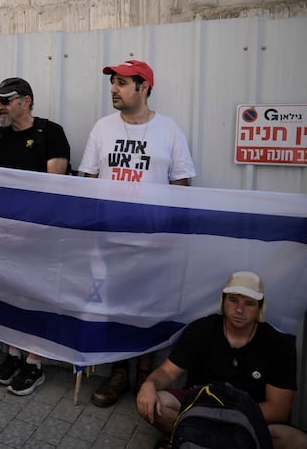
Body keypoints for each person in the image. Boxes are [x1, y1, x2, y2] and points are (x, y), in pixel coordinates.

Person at [78, 59, 196, 408]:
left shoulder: (169, 130)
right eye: (112, 82)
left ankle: (145, 372)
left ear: (144, 87)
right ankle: (118, 372)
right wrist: (88, 230)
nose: (113, 89)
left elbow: (182, 185)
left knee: (148, 307)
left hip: (153, 239)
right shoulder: (102, 128)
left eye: (122, 83)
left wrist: (172, 234)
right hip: (109, 237)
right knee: (114, 305)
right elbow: (87, 180)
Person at [136, 271, 307, 449]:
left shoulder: (279, 346)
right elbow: (167, 372)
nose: (239, 310)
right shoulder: (201, 329)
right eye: (233, 300)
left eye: (249, 303)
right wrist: (149, 384)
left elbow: (279, 409)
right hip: (200, 402)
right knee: (156, 402)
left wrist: (229, 415)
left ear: (260, 308)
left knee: (298, 441)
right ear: (223, 301)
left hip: (249, 414)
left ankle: (195, 441)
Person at [0, 77, 71, 396]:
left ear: (26, 101)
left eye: (4, 100)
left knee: (35, 294)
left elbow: (55, 186)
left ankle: (34, 363)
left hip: (40, 232)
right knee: (9, 292)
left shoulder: (51, 132)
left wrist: (27, 226)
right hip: (5, 231)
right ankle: (13, 353)